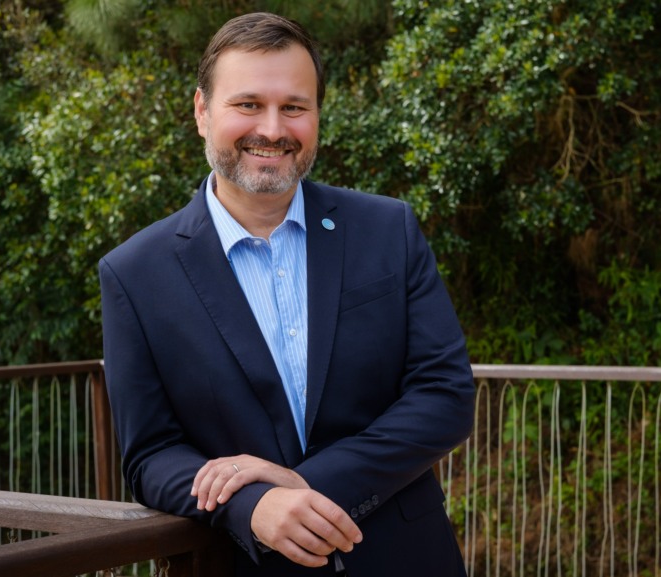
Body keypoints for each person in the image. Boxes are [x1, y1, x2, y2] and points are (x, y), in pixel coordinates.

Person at [98, 11, 475, 576]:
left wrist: (304, 485)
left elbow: (444, 395)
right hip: (242, 564)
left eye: (293, 107)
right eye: (247, 104)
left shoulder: (387, 229)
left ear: (317, 115)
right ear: (202, 112)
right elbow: (152, 456)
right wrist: (254, 507)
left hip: (403, 558)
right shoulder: (134, 272)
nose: (272, 129)